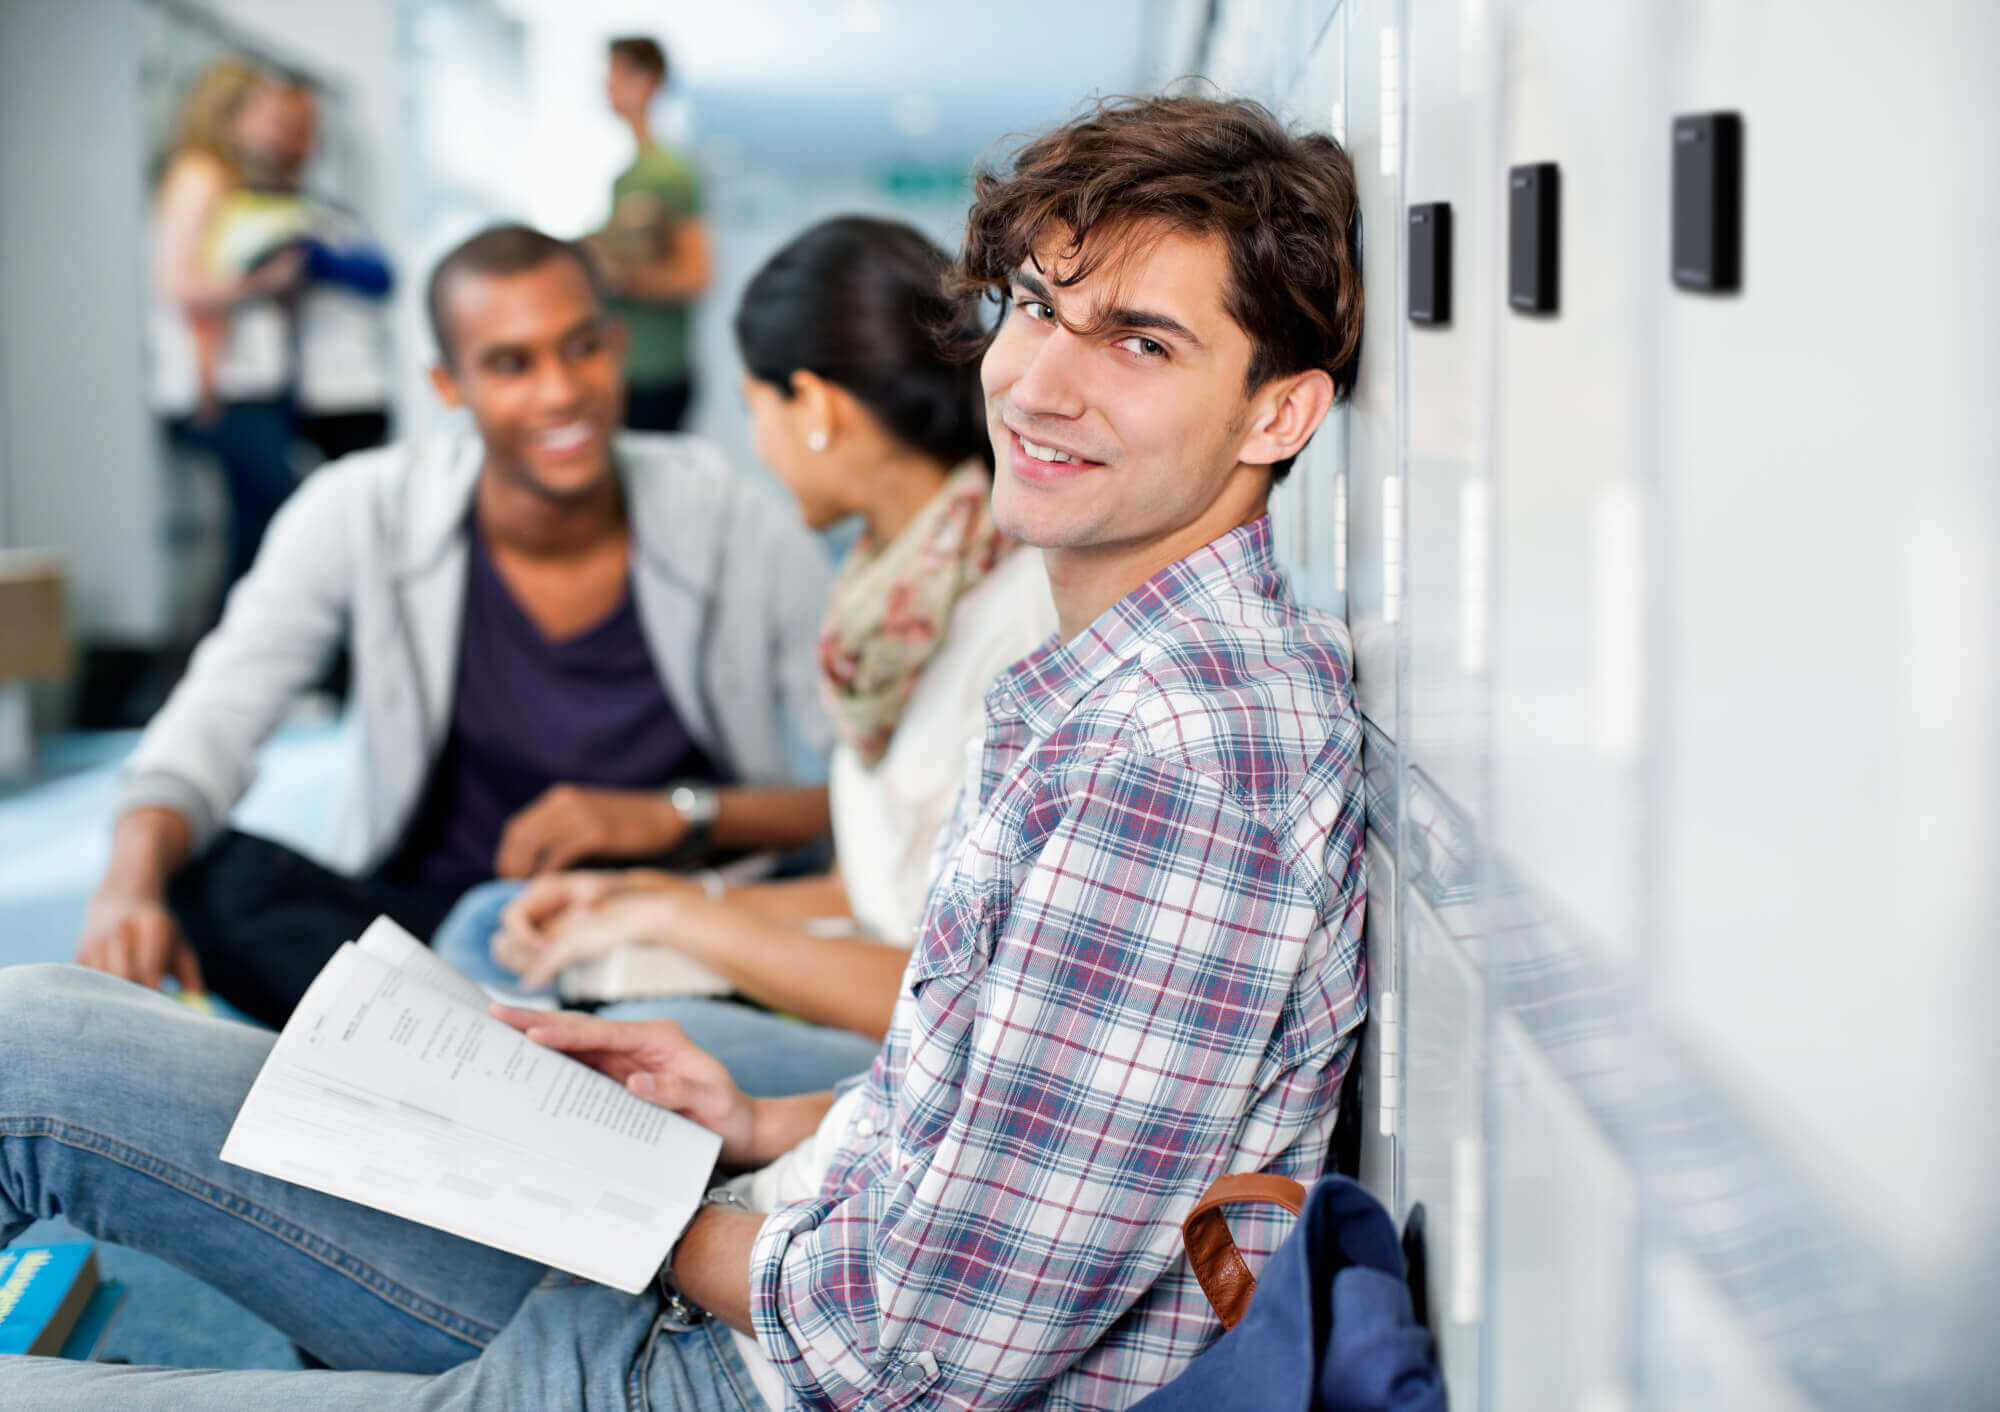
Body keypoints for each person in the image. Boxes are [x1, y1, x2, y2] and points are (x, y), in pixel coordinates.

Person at [1, 93, 1368, 1408]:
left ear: (1278, 415)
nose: (1038, 381)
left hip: (725, 1363)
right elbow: (991, 1115)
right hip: (746, 1256)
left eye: (1139, 343)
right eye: (1035, 310)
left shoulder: (1176, 754)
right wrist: (755, 1127)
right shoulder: (1103, 685)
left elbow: (910, 1353)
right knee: (37, 1036)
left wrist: (610, 1191)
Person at [76, 224, 835, 1030]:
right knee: (202, 876)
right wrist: (128, 887)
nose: (559, 392)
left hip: (675, 923)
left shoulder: (734, 519)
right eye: (512, 364)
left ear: (617, 346)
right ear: (448, 384)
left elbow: (870, 796)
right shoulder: (361, 507)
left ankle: (486, 1062)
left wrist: (672, 815)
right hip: (441, 934)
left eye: (581, 348)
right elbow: (214, 717)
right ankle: (518, 1050)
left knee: (807, 935)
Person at [430, 216, 1057, 1089]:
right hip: (858, 965)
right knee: (493, 922)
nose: (755, 441)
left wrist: (687, 923)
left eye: (754, 406)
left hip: (909, 1040)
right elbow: (863, 888)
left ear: (814, 408)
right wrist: (653, 899)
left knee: (593, 1022)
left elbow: (955, 993)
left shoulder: (1014, 617)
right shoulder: (893, 598)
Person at [148, 59, 311, 612]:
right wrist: (263, 282)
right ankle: (219, 657)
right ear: (231, 113)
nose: (274, 126)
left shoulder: (231, 179)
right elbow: (182, 286)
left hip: (241, 382)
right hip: (219, 386)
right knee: (279, 515)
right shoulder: (201, 176)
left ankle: (233, 658)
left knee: (252, 529)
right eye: (264, 113)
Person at [585, 35, 710, 434]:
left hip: (656, 373)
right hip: (623, 366)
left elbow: (696, 275)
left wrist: (616, 278)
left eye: (616, 74)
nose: (607, 85)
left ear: (650, 80)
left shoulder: (671, 173)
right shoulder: (626, 175)